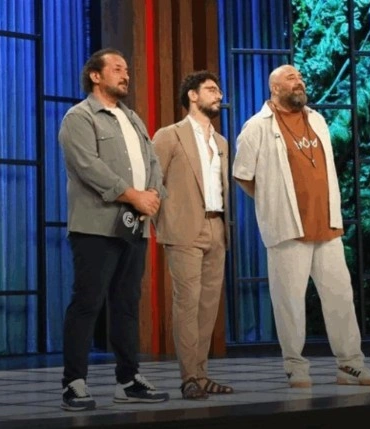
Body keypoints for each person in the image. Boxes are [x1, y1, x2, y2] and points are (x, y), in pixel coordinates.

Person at [232, 64, 370, 388]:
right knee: (289, 302)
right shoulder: (257, 126)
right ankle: (295, 366)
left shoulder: (317, 120)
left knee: (340, 297)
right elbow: (242, 174)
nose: (299, 82)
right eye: (291, 78)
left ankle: (350, 365)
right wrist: (272, 202)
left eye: (300, 78)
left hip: (326, 225)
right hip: (287, 229)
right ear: (275, 88)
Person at [57, 48, 170, 411]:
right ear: (95, 75)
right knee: (87, 303)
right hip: (95, 227)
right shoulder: (79, 117)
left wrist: (153, 195)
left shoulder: (133, 118)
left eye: (127, 69)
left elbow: (153, 162)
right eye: (117, 69)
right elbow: (88, 166)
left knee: (126, 304)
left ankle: (128, 380)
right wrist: (134, 195)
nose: (126, 74)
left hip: (134, 227)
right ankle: (74, 383)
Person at [152, 71, 233, 400]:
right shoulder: (169, 135)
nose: (218, 95)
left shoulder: (221, 142)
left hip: (217, 227)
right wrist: (165, 222)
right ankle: (189, 377)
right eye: (211, 90)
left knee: (208, 306)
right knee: (187, 302)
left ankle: (201, 373)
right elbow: (151, 181)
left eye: (219, 90)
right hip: (184, 228)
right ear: (192, 96)